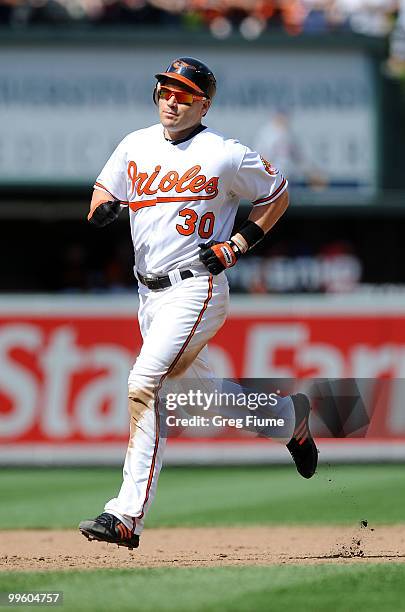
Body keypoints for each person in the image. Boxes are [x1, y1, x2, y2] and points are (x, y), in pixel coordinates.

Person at [79, 57, 318, 551]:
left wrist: (239, 243)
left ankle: (124, 515)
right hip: (148, 293)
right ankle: (286, 421)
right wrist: (102, 209)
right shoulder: (135, 143)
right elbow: (104, 192)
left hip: (197, 286)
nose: (172, 98)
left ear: (203, 103)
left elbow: (277, 194)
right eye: (166, 89)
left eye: (184, 92)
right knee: (201, 394)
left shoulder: (225, 154)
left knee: (146, 382)